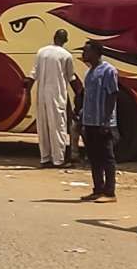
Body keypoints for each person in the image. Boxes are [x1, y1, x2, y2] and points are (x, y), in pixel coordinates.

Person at [75, 41, 120, 202]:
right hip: (90, 122)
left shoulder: (108, 71)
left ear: (96, 52)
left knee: (107, 157)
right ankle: (97, 189)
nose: (84, 55)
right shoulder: (90, 72)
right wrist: (82, 117)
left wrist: (106, 121)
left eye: (86, 51)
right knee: (93, 157)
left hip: (102, 122)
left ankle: (110, 192)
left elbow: (112, 95)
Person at [26, 29, 78, 168]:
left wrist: (27, 95)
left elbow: (32, 75)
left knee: (43, 126)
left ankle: (45, 158)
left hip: (41, 95)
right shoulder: (66, 55)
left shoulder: (41, 52)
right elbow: (71, 77)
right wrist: (81, 93)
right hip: (57, 95)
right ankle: (58, 160)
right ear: (65, 40)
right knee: (58, 127)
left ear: (54, 37)